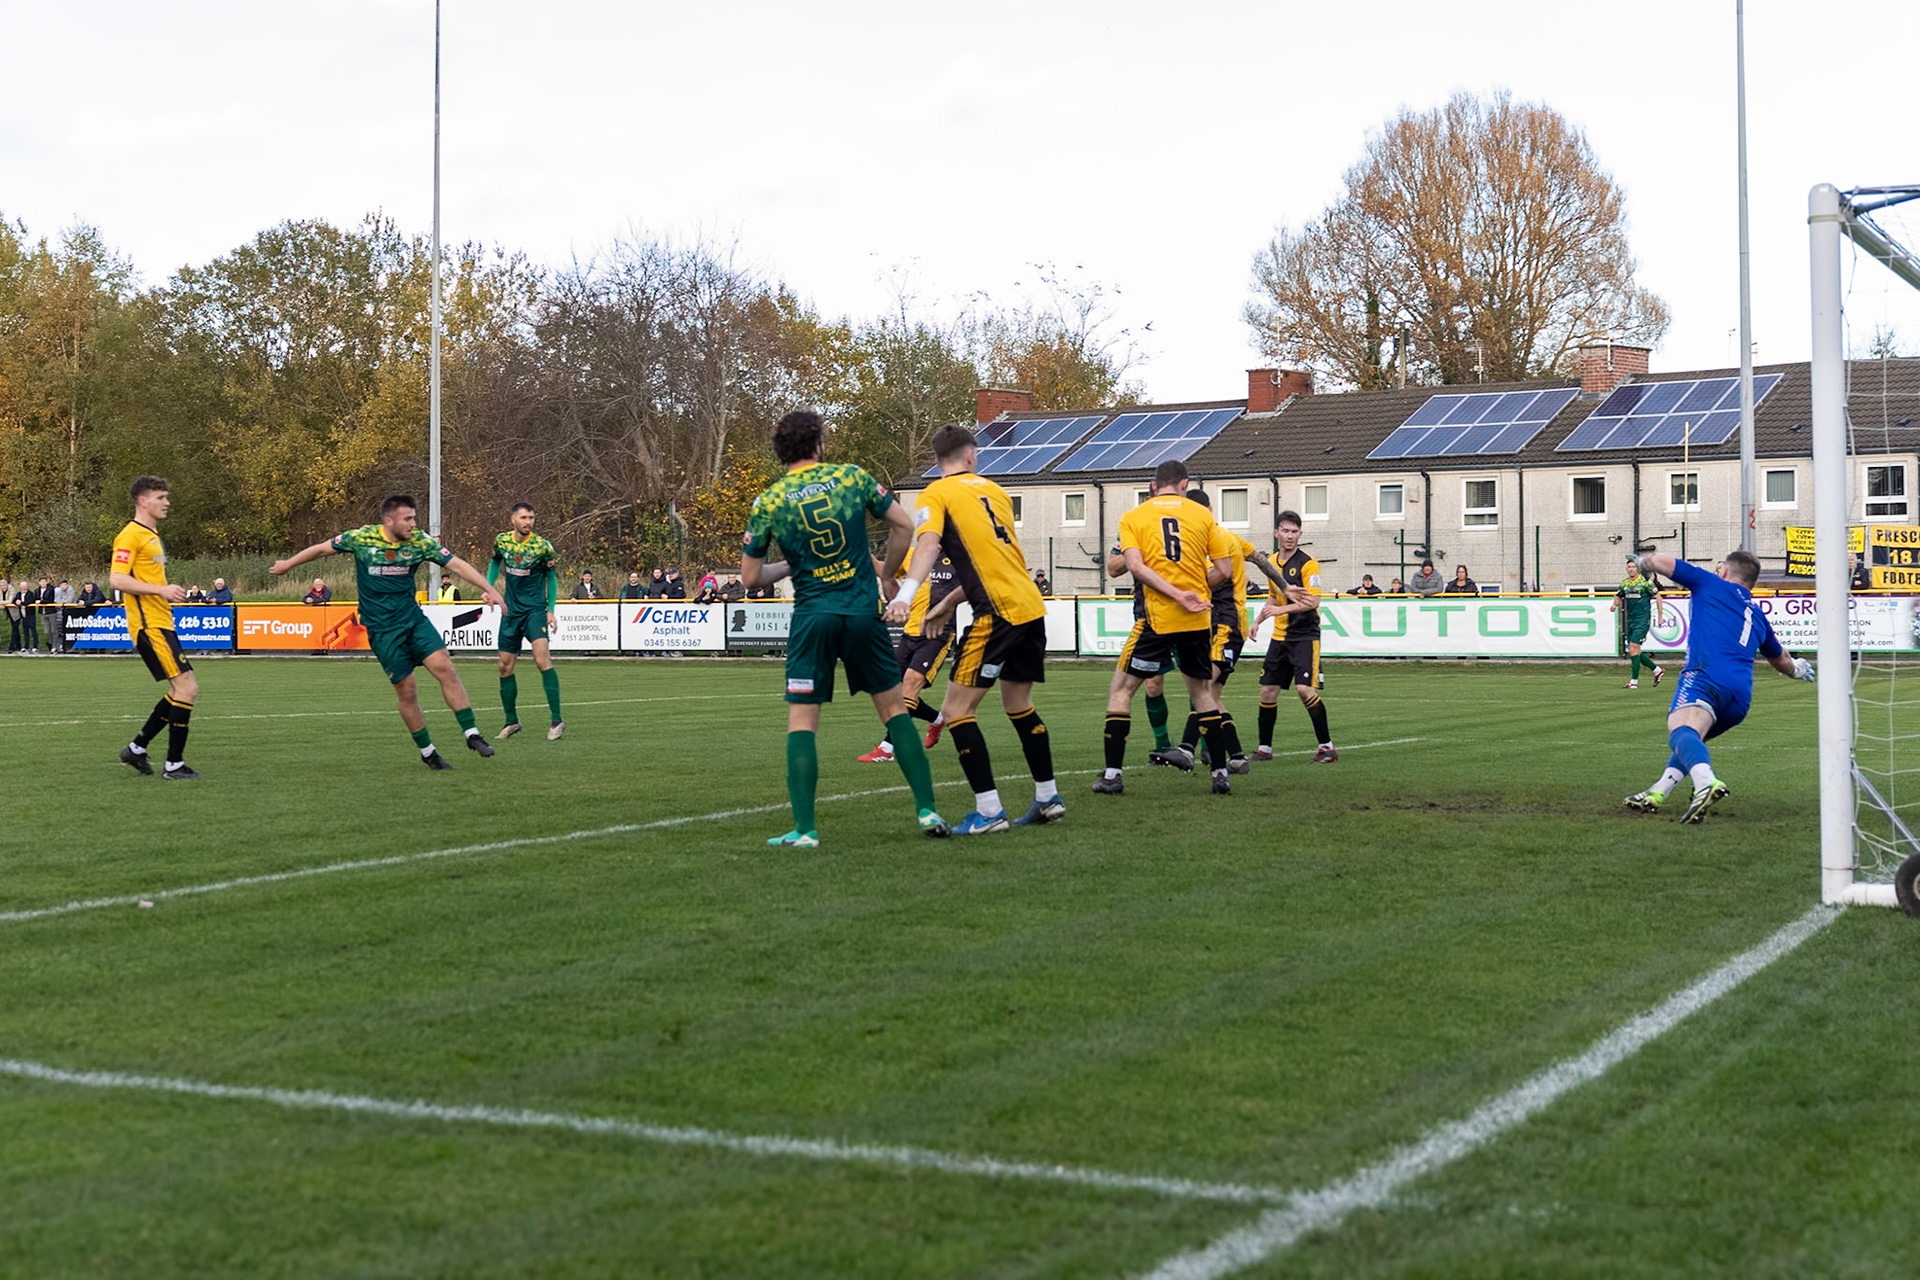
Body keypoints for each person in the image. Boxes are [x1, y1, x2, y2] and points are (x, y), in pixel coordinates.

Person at [743, 409, 947, 846]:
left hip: (813, 616)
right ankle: (928, 811)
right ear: (818, 444)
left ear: (781, 453)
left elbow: (750, 579)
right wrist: (889, 573)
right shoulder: (852, 478)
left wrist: (789, 565)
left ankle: (805, 830)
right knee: (894, 711)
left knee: (802, 720)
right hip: (861, 614)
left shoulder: (770, 501)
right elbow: (904, 526)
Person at [886, 422, 1061, 831]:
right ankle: (1048, 797)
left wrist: (904, 596)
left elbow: (927, 546)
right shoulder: (994, 491)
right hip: (1029, 607)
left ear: (937, 460)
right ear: (971, 455)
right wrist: (947, 602)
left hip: (996, 612)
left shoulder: (936, 493)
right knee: (1018, 705)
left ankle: (988, 813)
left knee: (956, 711)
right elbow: (996, 560)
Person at [270, 494, 505, 769]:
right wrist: (288, 564)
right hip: (382, 630)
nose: (413, 523)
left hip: (413, 620)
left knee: (444, 665)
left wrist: (491, 590)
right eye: (408, 518)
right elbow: (321, 549)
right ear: (389, 520)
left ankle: (471, 734)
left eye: (414, 518)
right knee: (407, 690)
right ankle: (428, 752)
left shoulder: (419, 541)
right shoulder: (362, 538)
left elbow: (455, 564)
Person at [1624, 550, 1815, 822]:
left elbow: (1663, 562)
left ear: (1725, 571)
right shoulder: (1757, 615)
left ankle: (1705, 783)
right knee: (1691, 739)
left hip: (1705, 677)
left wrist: (1644, 563)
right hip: (1739, 700)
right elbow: (1782, 660)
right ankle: (1658, 792)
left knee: (1680, 732)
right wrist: (1797, 670)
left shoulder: (1712, 584)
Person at [1093, 460, 1237, 796]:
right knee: (1202, 694)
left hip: (1155, 618)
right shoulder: (1203, 516)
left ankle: (1113, 775)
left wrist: (1175, 593)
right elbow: (1225, 569)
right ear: (1185, 484)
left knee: (1120, 691)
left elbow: (1131, 566)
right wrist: (1196, 591)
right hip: (1196, 621)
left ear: (1154, 485)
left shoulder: (1135, 516)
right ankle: (1219, 773)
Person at [1166, 489, 1292, 775]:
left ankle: (1187, 748)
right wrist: (1284, 585)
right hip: (1224, 624)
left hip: (1225, 623)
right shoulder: (1230, 537)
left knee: (1204, 689)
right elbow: (1260, 559)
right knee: (1214, 695)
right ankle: (1235, 756)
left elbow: (1211, 580)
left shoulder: (1211, 541)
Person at [111, 476, 202, 779]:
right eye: (161, 497)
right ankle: (173, 765)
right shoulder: (130, 536)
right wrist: (160, 591)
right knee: (187, 688)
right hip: (149, 625)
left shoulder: (151, 534)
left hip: (161, 622)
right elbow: (117, 580)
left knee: (179, 690)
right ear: (143, 501)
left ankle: (136, 749)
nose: (167, 502)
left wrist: (163, 593)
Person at [1253, 510, 1337, 763]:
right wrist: (1258, 620)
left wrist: (1282, 609)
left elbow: (1313, 600)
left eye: (1294, 532)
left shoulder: (1307, 563)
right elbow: (1273, 595)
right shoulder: (1271, 561)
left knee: (1303, 689)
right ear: (1276, 532)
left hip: (1304, 636)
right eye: (1285, 531)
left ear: (1300, 534)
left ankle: (1327, 748)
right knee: (1268, 691)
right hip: (1279, 638)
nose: (1290, 536)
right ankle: (1264, 749)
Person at [859, 553, 960, 765]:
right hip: (909, 634)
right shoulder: (916, 554)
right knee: (894, 692)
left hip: (937, 634)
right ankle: (938, 719)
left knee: (911, 684)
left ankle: (887, 747)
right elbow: (883, 570)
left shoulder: (960, 556)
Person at [488, 501, 564, 742]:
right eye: (523, 517)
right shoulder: (501, 541)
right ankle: (511, 721)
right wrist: (489, 589)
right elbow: (494, 563)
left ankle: (556, 720)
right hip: (511, 611)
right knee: (504, 667)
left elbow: (551, 579)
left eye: (531, 517)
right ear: (513, 520)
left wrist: (550, 610)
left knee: (542, 660)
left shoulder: (543, 547)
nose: (527, 522)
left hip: (534, 610)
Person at [1614, 556, 1666, 690]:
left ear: (1637, 569)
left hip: (1642, 620)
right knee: (1634, 650)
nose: (1631, 569)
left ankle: (1634, 681)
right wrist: (1615, 605)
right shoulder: (1625, 583)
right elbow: (1618, 595)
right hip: (1630, 620)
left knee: (1633, 647)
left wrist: (1660, 616)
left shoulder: (1645, 583)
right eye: (1629, 567)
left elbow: (1658, 597)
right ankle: (1657, 670)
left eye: (1633, 567)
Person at [50, 578, 74, 652]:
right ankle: (59, 645)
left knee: (67, 630)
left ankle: (68, 646)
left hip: (69, 612)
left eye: (64, 585)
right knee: (59, 629)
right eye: (62, 585)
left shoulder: (71, 590)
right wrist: (60, 604)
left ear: (67, 585)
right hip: (60, 612)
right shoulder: (59, 591)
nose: (63, 586)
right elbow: (56, 600)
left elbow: (69, 600)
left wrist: (62, 603)